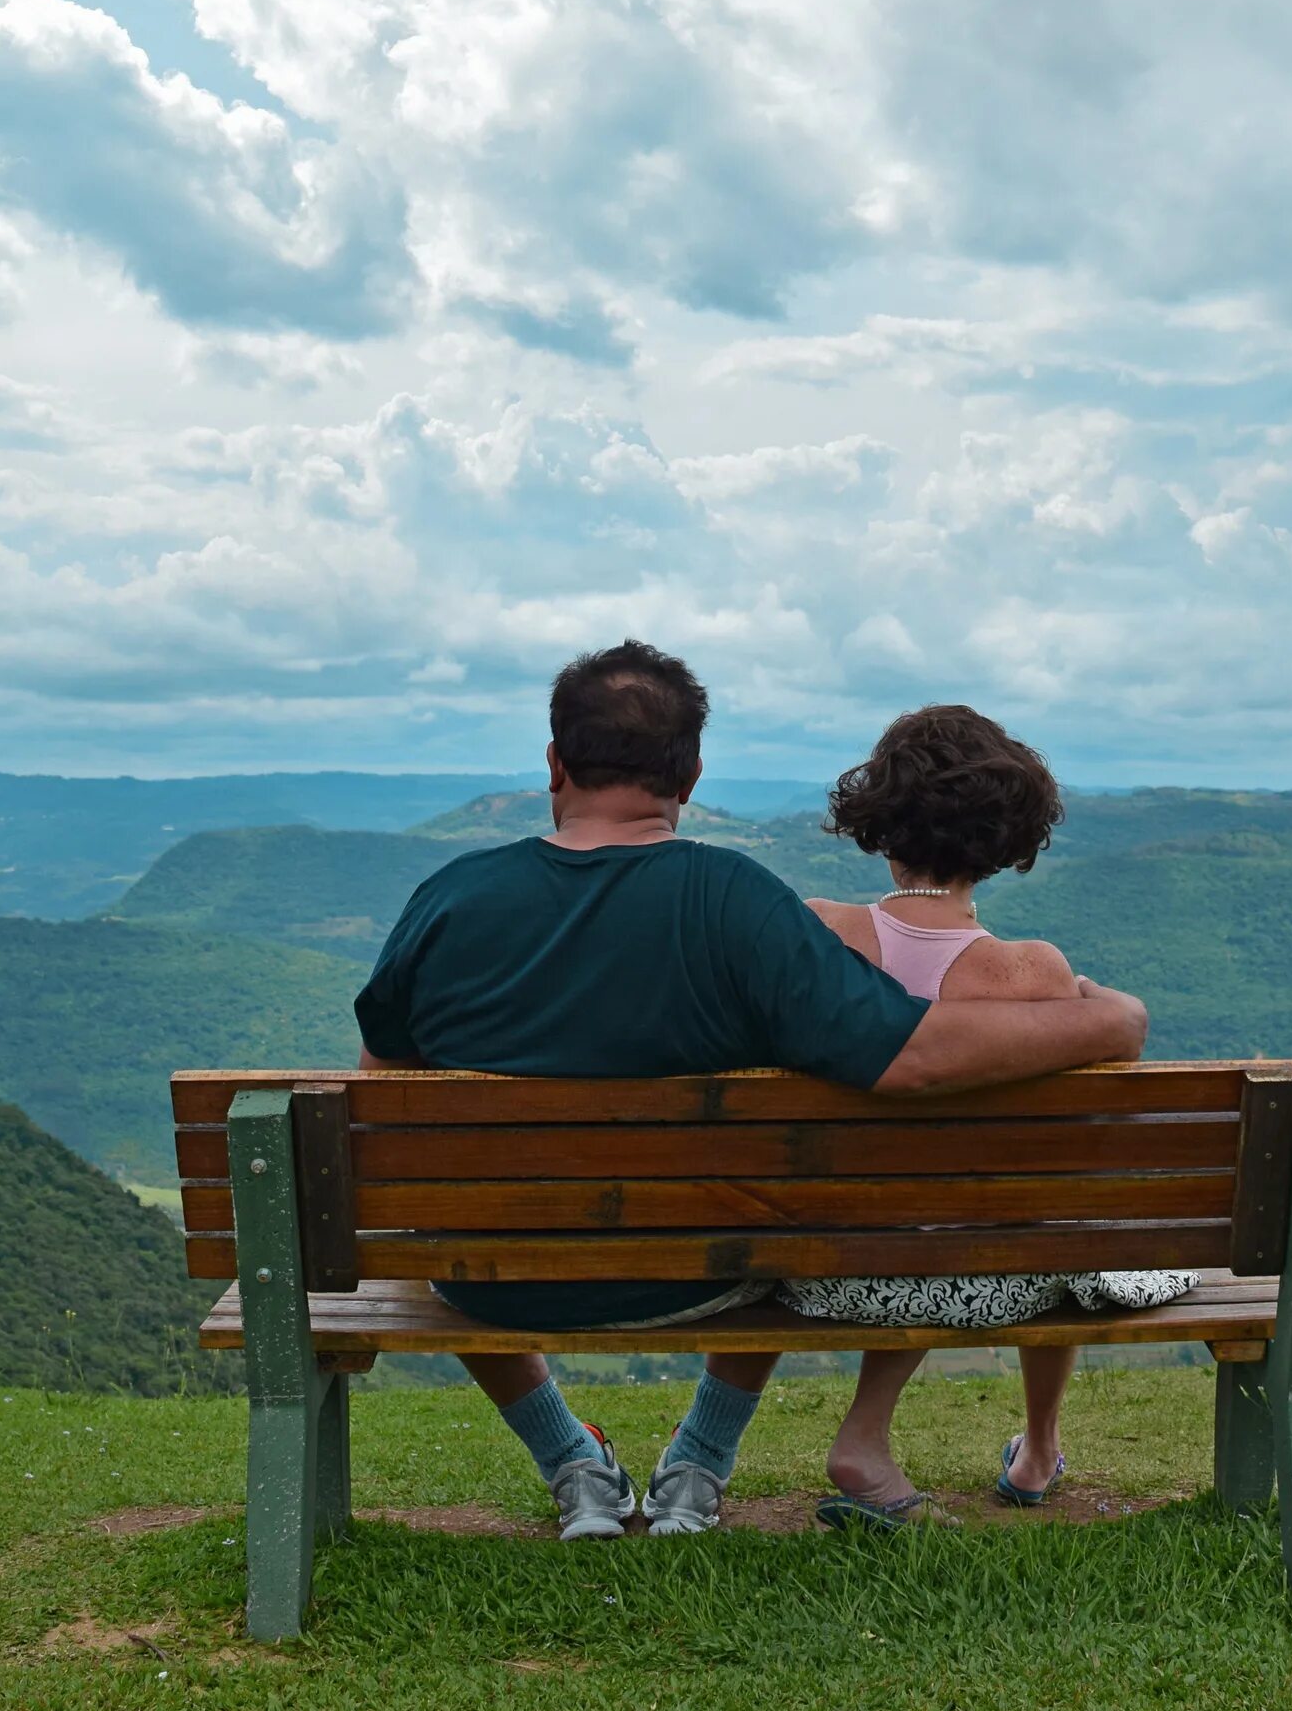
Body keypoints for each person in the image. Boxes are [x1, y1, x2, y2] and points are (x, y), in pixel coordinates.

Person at [353, 643, 1151, 1541]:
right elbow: (913, 1058)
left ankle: (571, 1462)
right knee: (781, 1184)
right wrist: (1109, 1023)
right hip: (700, 1275)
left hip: (488, 1278)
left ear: (554, 761)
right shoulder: (737, 903)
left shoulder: (446, 900)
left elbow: (387, 1098)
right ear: (689, 774)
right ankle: (697, 1460)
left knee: (445, 1209)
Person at [787, 705, 1198, 1529]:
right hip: (992, 1270)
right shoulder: (1031, 973)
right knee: (1057, 1217)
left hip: (822, 1263)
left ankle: (890, 1435)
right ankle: (1040, 1449)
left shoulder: (815, 931)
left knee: (965, 1210)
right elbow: (1115, 1039)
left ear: (878, 817)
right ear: (1006, 834)